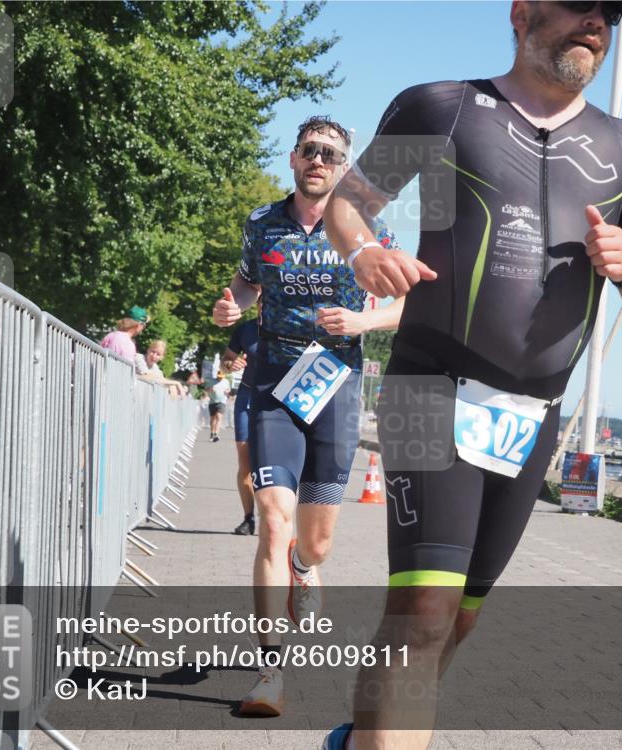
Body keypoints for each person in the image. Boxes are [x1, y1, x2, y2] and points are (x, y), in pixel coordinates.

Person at [321, 2, 622, 748]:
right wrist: (363, 254)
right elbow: (348, 205)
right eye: (580, 5)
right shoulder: (443, 107)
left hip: (532, 411)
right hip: (428, 382)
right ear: (521, 12)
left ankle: (360, 739)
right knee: (421, 614)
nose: (595, 25)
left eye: (609, 15)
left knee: (461, 617)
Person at [212, 115, 405, 717]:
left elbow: (405, 302)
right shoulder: (262, 223)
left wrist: (362, 322)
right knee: (273, 518)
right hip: (272, 380)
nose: (319, 160)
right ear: (293, 161)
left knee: (314, 542)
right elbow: (246, 285)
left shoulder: (368, 230)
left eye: (331, 154)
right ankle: (269, 673)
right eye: (309, 151)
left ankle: (303, 566)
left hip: (337, 385)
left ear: (345, 168)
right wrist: (231, 306)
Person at [221, 305, 261, 536]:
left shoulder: (292, 328)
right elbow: (226, 360)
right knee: (246, 464)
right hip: (247, 398)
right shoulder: (245, 330)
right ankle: (248, 518)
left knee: (270, 463)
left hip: (278, 400)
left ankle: (275, 517)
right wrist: (230, 364)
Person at [207, 371, 230, 442]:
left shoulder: (226, 381)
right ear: (217, 375)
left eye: (221, 377)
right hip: (212, 401)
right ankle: (212, 432)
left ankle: (216, 434)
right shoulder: (211, 381)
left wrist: (227, 391)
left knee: (219, 417)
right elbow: (206, 389)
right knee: (213, 418)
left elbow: (229, 389)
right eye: (219, 377)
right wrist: (210, 390)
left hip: (222, 401)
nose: (220, 378)